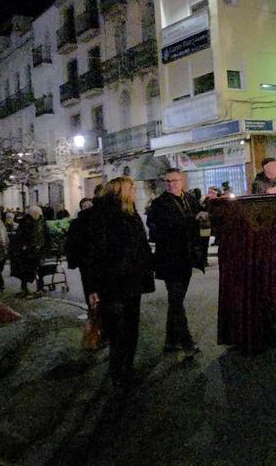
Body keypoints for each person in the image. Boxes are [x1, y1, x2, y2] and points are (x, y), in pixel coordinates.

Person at [84, 176, 156, 392]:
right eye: (131, 187)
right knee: (117, 331)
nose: (135, 190)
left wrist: (146, 266)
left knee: (132, 328)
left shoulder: (132, 213)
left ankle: (128, 368)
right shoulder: (103, 216)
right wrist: (93, 288)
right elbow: (94, 254)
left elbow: (140, 246)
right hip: (112, 284)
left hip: (133, 282)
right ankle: (118, 373)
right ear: (120, 190)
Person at [148, 168, 206, 354]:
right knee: (176, 300)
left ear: (182, 181)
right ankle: (186, 342)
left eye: (174, 180)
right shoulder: (159, 203)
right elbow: (166, 226)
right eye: (168, 181)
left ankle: (170, 341)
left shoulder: (189, 199)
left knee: (176, 300)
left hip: (187, 257)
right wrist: (193, 219)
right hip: (170, 258)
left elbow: (200, 217)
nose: (171, 184)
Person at [65, 196, 102, 308]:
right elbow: (71, 242)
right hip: (85, 260)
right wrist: (73, 260)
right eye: (85, 207)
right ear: (81, 209)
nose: (87, 209)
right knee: (88, 285)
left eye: (89, 206)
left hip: (99, 259)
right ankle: (91, 308)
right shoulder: (76, 223)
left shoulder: (100, 221)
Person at [9, 205, 49, 296]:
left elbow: (46, 234)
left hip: (40, 249)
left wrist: (45, 246)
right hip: (27, 251)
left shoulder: (42, 221)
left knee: (40, 269)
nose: (36, 215)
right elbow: (20, 236)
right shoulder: (25, 221)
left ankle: (40, 287)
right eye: (34, 213)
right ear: (30, 214)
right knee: (26, 270)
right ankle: (24, 287)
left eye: (37, 213)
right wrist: (24, 246)